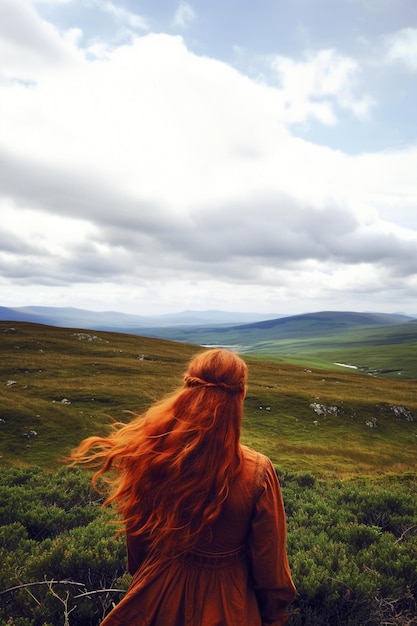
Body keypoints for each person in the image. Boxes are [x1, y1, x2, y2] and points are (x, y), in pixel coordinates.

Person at [70, 348, 296, 625]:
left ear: (187, 389)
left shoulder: (154, 455)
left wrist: (148, 579)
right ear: (241, 395)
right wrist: (273, 616)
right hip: (229, 603)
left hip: (156, 594)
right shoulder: (257, 471)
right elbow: (270, 567)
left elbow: (138, 540)